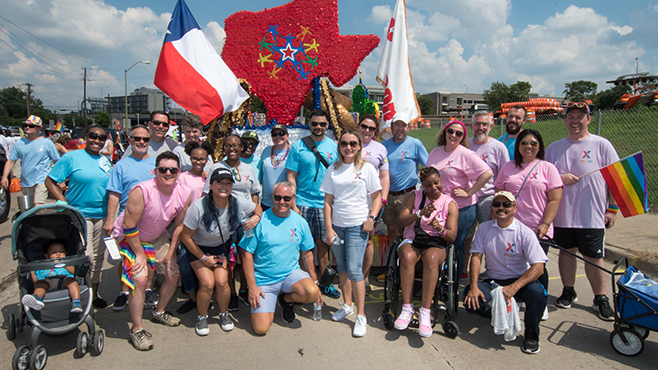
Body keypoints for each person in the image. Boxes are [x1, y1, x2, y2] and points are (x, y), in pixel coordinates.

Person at [545, 101, 619, 321]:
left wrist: (612, 209)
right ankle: (568, 290)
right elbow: (546, 179)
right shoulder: (554, 148)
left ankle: (600, 297)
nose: (575, 121)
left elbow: (615, 179)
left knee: (594, 257)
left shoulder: (601, 145)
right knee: (567, 252)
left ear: (588, 119)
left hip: (592, 215)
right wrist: (560, 179)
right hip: (563, 215)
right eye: (571, 117)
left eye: (580, 117)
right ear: (565, 120)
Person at [112, 152, 192, 351]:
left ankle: (159, 312)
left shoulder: (185, 192)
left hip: (157, 235)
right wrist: (140, 254)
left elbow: (179, 226)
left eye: (172, 170)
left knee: (173, 274)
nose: (167, 173)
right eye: (163, 169)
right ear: (154, 171)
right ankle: (136, 330)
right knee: (139, 279)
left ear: (178, 172)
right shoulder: (141, 191)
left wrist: (171, 253)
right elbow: (128, 225)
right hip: (130, 237)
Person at [463, 191, 548, 354]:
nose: (501, 208)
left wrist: (513, 288)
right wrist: (473, 286)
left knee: (538, 294)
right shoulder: (484, 229)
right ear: (492, 208)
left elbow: (538, 267)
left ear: (515, 208)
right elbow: (476, 257)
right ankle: (500, 313)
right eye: (497, 204)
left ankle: (531, 334)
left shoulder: (525, 232)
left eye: (506, 204)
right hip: (493, 281)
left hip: (519, 281)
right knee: (469, 299)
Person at [495, 129, 562, 319]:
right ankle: (514, 298)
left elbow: (555, 199)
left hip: (537, 227)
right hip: (511, 226)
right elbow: (499, 195)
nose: (529, 146)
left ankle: (541, 300)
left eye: (533, 143)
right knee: (512, 264)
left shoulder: (548, 168)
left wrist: (546, 224)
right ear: (518, 146)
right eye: (525, 143)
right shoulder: (508, 167)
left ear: (539, 146)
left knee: (537, 266)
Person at [181, 168, 257, 336]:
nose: (224, 186)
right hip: (198, 248)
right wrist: (202, 257)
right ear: (211, 185)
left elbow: (257, 208)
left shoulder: (237, 201)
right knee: (208, 283)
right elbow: (185, 237)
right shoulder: (198, 207)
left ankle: (223, 313)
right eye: (219, 182)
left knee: (222, 282)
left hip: (220, 247)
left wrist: (256, 217)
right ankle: (202, 316)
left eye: (228, 183)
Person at [321, 130, 382, 337]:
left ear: (359, 146)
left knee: (355, 270)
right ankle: (347, 304)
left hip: (358, 226)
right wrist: (329, 229)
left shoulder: (367, 168)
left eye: (353, 143)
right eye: (344, 143)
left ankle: (361, 315)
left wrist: (371, 218)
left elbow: (377, 196)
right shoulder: (333, 169)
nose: (349, 147)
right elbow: (328, 201)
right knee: (343, 267)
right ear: (339, 146)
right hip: (337, 226)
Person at [240, 181, 322, 335]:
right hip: (264, 279)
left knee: (311, 292)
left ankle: (285, 301)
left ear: (293, 199)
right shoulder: (259, 221)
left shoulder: (300, 222)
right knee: (261, 329)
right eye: (277, 198)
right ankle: (268, 303)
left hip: (290, 274)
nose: (282, 202)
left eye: (286, 198)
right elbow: (246, 254)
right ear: (272, 197)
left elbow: (307, 253)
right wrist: (252, 287)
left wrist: (315, 281)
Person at [46, 125, 111, 309]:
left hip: (102, 215)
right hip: (80, 215)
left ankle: (94, 294)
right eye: (93, 136)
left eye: (101, 137)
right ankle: (80, 293)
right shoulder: (71, 157)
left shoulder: (105, 161)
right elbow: (50, 181)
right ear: (86, 136)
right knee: (86, 257)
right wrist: (62, 201)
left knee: (99, 258)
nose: (97, 140)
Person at [393, 167, 458, 338]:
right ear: (423, 186)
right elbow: (401, 221)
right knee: (407, 255)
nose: (434, 188)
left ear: (441, 181)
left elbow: (451, 237)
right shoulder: (415, 196)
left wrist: (440, 228)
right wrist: (419, 213)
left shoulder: (449, 204)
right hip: (413, 239)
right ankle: (407, 308)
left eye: (437, 183)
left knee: (431, 257)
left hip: (436, 243)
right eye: (429, 185)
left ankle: (425, 311)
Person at [426, 121, 493, 279]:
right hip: (439, 206)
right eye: (451, 131)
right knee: (439, 242)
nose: (453, 135)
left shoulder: (466, 154)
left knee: (456, 244)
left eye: (459, 133)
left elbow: (487, 173)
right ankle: (441, 277)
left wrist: (469, 192)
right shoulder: (435, 152)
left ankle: (453, 279)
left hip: (462, 208)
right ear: (445, 132)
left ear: (463, 137)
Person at [204, 134, 262, 310]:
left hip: (245, 220)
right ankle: (231, 293)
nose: (232, 149)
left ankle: (245, 289)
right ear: (224, 147)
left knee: (246, 254)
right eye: (228, 145)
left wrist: (255, 216)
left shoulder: (249, 169)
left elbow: (254, 194)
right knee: (228, 257)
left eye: (236, 146)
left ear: (241, 147)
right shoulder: (216, 167)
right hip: (224, 220)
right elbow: (207, 193)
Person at [286, 109, 340, 298]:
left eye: (322, 124)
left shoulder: (334, 146)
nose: (318, 127)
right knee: (302, 245)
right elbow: (291, 175)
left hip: (325, 203)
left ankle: (324, 284)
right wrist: (293, 204)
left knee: (324, 244)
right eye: (315, 123)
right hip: (302, 202)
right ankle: (305, 281)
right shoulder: (298, 146)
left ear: (327, 125)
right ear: (309, 124)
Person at [104, 125, 158, 311]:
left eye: (145, 139)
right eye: (137, 139)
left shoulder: (156, 164)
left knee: (150, 257)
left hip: (150, 220)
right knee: (127, 257)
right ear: (130, 140)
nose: (141, 142)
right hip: (127, 220)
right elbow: (114, 194)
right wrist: (110, 219)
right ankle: (124, 291)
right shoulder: (121, 165)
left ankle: (148, 288)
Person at [464, 111, 510, 278]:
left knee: (491, 235)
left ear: (491, 126)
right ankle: (463, 269)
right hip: (467, 197)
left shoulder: (498, 147)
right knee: (466, 235)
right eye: (477, 124)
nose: (480, 127)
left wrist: (498, 201)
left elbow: (504, 175)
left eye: (484, 124)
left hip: (488, 198)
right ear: (471, 126)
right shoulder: (465, 145)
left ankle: (492, 270)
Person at [176, 140, 215, 314]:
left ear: (207, 160)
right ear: (190, 159)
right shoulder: (182, 177)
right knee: (185, 265)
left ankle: (206, 297)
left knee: (205, 264)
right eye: (195, 159)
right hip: (187, 227)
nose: (198, 162)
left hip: (206, 228)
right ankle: (192, 298)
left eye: (202, 159)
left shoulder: (210, 177)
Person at [382, 119, 429, 247]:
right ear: (391, 127)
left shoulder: (415, 144)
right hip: (388, 195)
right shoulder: (384, 146)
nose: (400, 128)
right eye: (397, 125)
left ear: (409, 128)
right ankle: (391, 263)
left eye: (404, 125)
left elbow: (428, 166)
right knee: (392, 231)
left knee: (407, 231)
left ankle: (404, 262)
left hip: (407, 195)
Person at [356, 115, 390, 295]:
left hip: (372, 202)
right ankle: (351, 276)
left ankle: (364, 277)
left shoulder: (380, 149)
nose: (367, 130)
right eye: (364, 126)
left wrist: (382, 200)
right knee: (350, 239)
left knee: (368, 239)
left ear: (375, 130)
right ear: (358, 126)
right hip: (350, 201)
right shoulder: (349, 143)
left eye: (371, 128)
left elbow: (384, 177)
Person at [1, 115, 60, 206]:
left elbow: (57, 161)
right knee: (28, 209)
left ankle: (41, 219)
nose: (27, 127)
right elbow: (11, 161)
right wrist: (4, 176)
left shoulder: (47, 143)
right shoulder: (20, 143)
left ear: (39, 128)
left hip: (42, 179)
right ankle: (37, 220)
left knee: (38, 205)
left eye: (31, 126)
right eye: (26, 125)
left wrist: (59, 179)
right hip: (26, 181)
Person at [21, 240, 84, 314]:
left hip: (64, 279)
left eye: (61, 252)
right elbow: (35, 280)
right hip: (47, 281)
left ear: (66, 254)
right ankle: (37, 298)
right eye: (54, 252)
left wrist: (63, 263)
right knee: (40, 284)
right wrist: (31, 270)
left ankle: (76, 302)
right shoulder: (41, 265)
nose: (58, 254)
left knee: (72, 282)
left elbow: (74, 272)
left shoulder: (68, 263)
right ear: (47, 256)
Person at [259, 124, 290, 211]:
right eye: (275, 134)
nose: (278, 136)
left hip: (284, 203)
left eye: (281, 133)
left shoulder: (292, 153)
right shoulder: (266, 151)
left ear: (287, 136)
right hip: (266, 202)